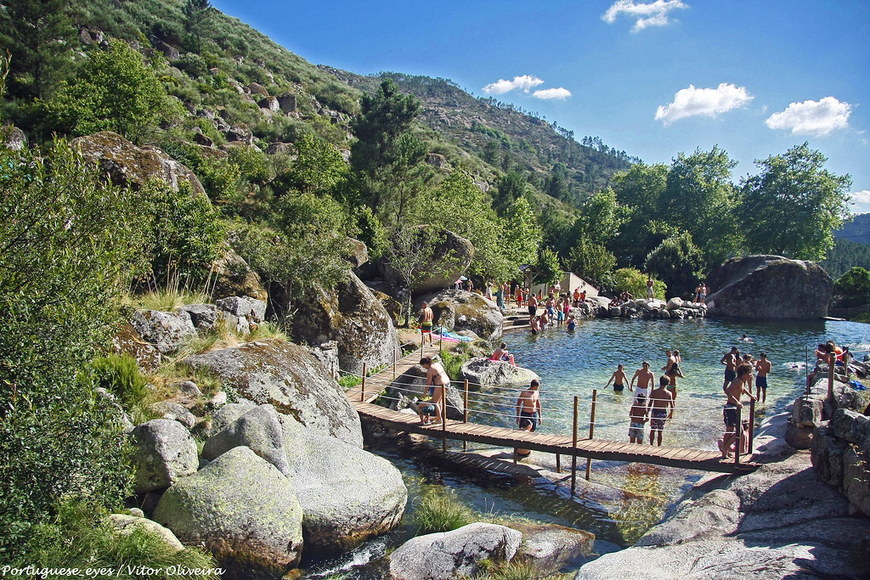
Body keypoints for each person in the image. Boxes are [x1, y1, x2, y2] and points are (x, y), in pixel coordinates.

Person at [718, 364, 756, 458]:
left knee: (730, 431)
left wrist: (751, 396)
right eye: (749, 373)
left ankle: (724, 452)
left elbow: (743, 389)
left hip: (733, 407)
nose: (751, 375)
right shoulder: (737, 381)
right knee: (739, 431)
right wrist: (737, 402)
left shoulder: (741, 381)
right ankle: (725, 447)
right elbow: (727, 391)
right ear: (743, 373)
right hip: (731, 407)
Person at [515, 379, 543, 458]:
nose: (538, 388)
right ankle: (519, 449)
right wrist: (518, 417)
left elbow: (538, 404)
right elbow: (518, 404)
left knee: (532, 431)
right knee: (522, 431)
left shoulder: (536, 392)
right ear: (533, 386)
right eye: (537, 387)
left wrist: (540, 416)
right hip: (525, 413)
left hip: (533, 413)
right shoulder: (525, 392)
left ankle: (527, 450)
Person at [418, 356, 449, 424]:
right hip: (447, 383)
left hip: (440, 384)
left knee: (435, 402)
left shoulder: (430, 370)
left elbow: (428, 383)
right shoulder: (437, 364)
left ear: (426, 364)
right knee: (439, 401)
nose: (423, 367)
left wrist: (424, 393)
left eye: (423, 365)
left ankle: (439, 419)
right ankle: (439, 417)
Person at [648, 376, 674, 446]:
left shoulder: (654, 392)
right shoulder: (669, 393)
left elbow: (650, 404)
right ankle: (659, 446)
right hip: (663, 412)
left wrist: (647, 412)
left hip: (655, 412)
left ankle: (651, 445)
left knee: (652, 430)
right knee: (660, 431)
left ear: (659, 382)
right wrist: (671, 414)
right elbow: (672, 405)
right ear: (668, 383)